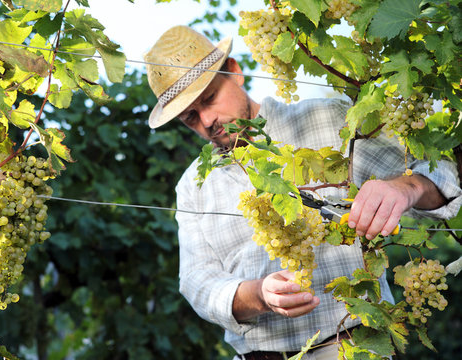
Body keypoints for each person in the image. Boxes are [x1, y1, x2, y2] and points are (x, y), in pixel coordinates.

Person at [143, 25, 462, 360]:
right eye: (190, 117)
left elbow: (441, 174)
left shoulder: (328, 119)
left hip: (356, 348)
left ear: (235, 72)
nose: (207, 120)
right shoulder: (193, 185)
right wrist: (259, 295)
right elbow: (197, 281)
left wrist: (405, 188)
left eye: (208, 98)